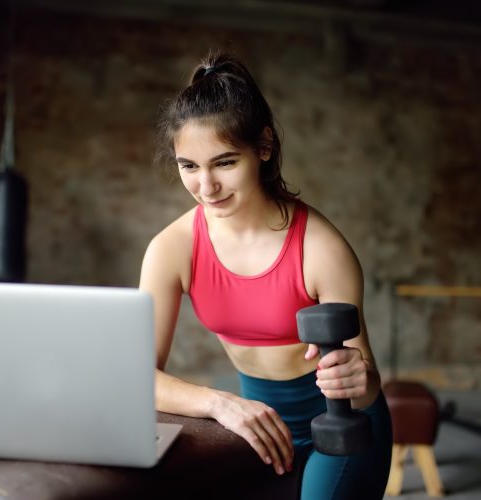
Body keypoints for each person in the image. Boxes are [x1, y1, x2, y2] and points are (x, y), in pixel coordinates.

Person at [139, 51, 392, 499]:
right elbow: (135, 377)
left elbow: (364, 375)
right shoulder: (171, 249)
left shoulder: (320, 248)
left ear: (264, 146)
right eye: (189, 167)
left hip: (343, 428)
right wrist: (219, 403)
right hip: (258, 426)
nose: (207, 187)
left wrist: (358, 374)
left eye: (225, 162)